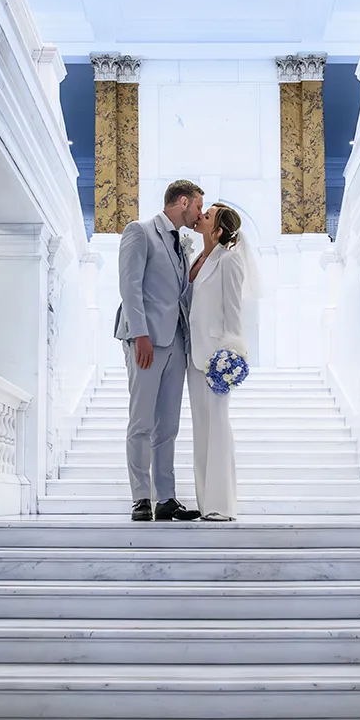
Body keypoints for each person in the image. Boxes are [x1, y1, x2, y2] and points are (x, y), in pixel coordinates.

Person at [115, 179, 204, 522]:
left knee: (168, 426)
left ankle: (165, 497)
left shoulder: (182, 243)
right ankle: (140, 498)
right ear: (183, 202)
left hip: (177, 342)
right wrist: (140, 335)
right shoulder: (139, 231)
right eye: (197, 206)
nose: (199, 214)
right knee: (141, 421)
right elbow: (130, 285)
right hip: (146, 341)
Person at [187, 202, 251, 521]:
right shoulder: (197, 258)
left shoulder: (229, 261)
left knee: (218, 428)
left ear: (218, 230)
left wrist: (230, 354)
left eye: (207, 215)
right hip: (193, 356)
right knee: (202, 429)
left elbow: (234, 313)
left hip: (216, 359)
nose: (201, 216)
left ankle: (221, 505)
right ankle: (204, 502)